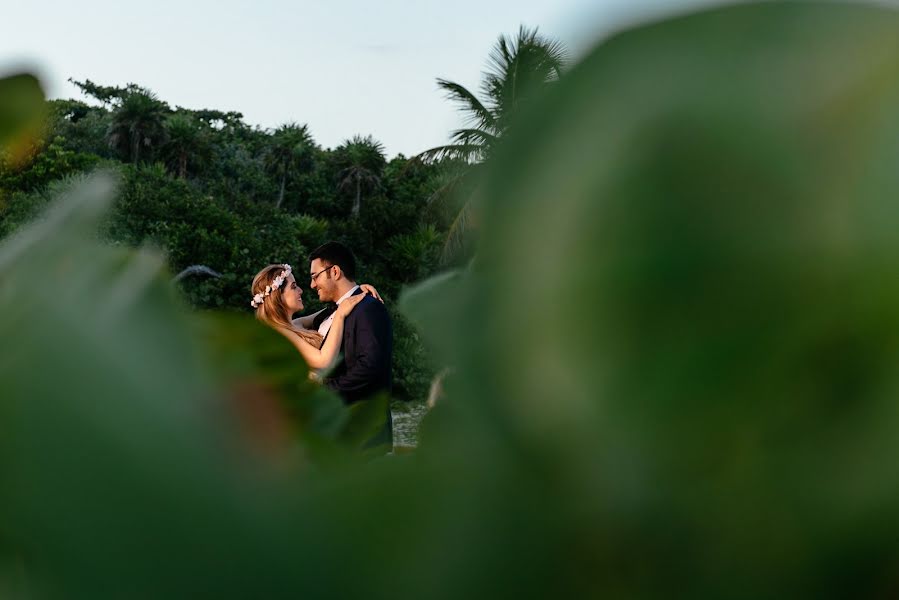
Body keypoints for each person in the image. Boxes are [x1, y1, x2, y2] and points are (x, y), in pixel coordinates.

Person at [308, 242, 394, 448]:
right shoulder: (326, 315)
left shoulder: (369, 308)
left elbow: (370, 368)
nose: (312, 285)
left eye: (315, 276)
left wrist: (324, 391)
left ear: (335, 271)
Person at [249, 263, 377, 372]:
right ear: (278, 297)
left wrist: (355, 292)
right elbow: (323, 361)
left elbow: (332, 310)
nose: (300, 290)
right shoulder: (280, 334)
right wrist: (340, 315)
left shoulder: (294, 325)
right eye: (294, 287)